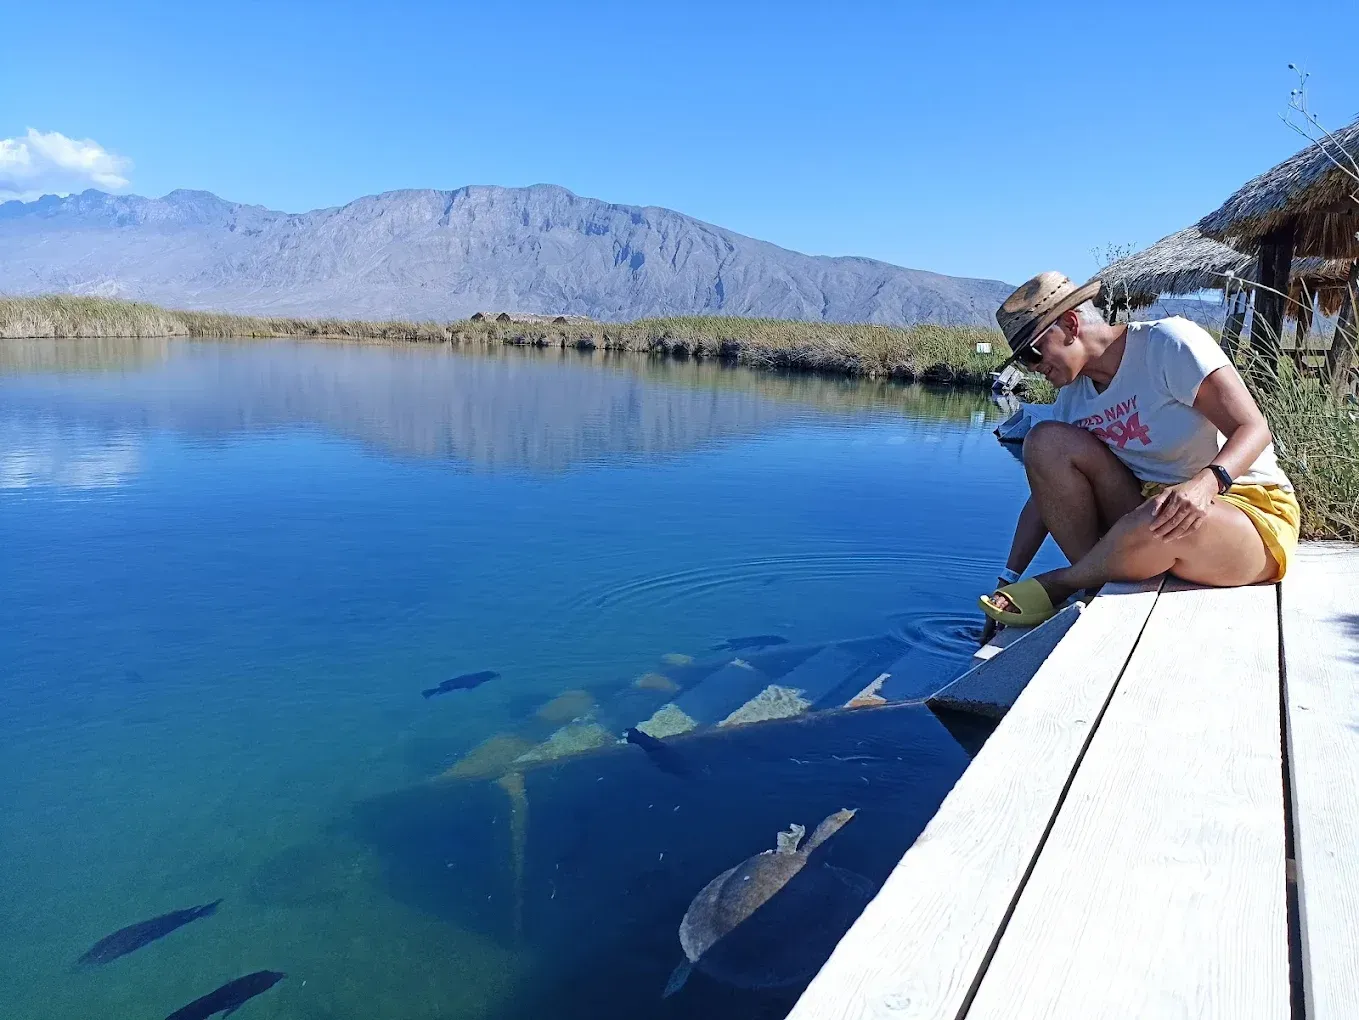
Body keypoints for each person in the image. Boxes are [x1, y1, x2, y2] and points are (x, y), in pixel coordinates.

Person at [979, 271, 1299, 629]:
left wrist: (1207, 483)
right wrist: (1008, 576)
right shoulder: (1073, 400)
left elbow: (1254, 429)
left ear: (1070, 324)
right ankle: (1097, 580)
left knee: (1160, 515)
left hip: (1244, 511)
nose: (1033, 369)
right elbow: (1045, 496)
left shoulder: (1167, 345)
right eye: (1023, 362)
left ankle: (1066, 581)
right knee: (1044, 441)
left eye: (1033, 354)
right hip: (1146, 515)